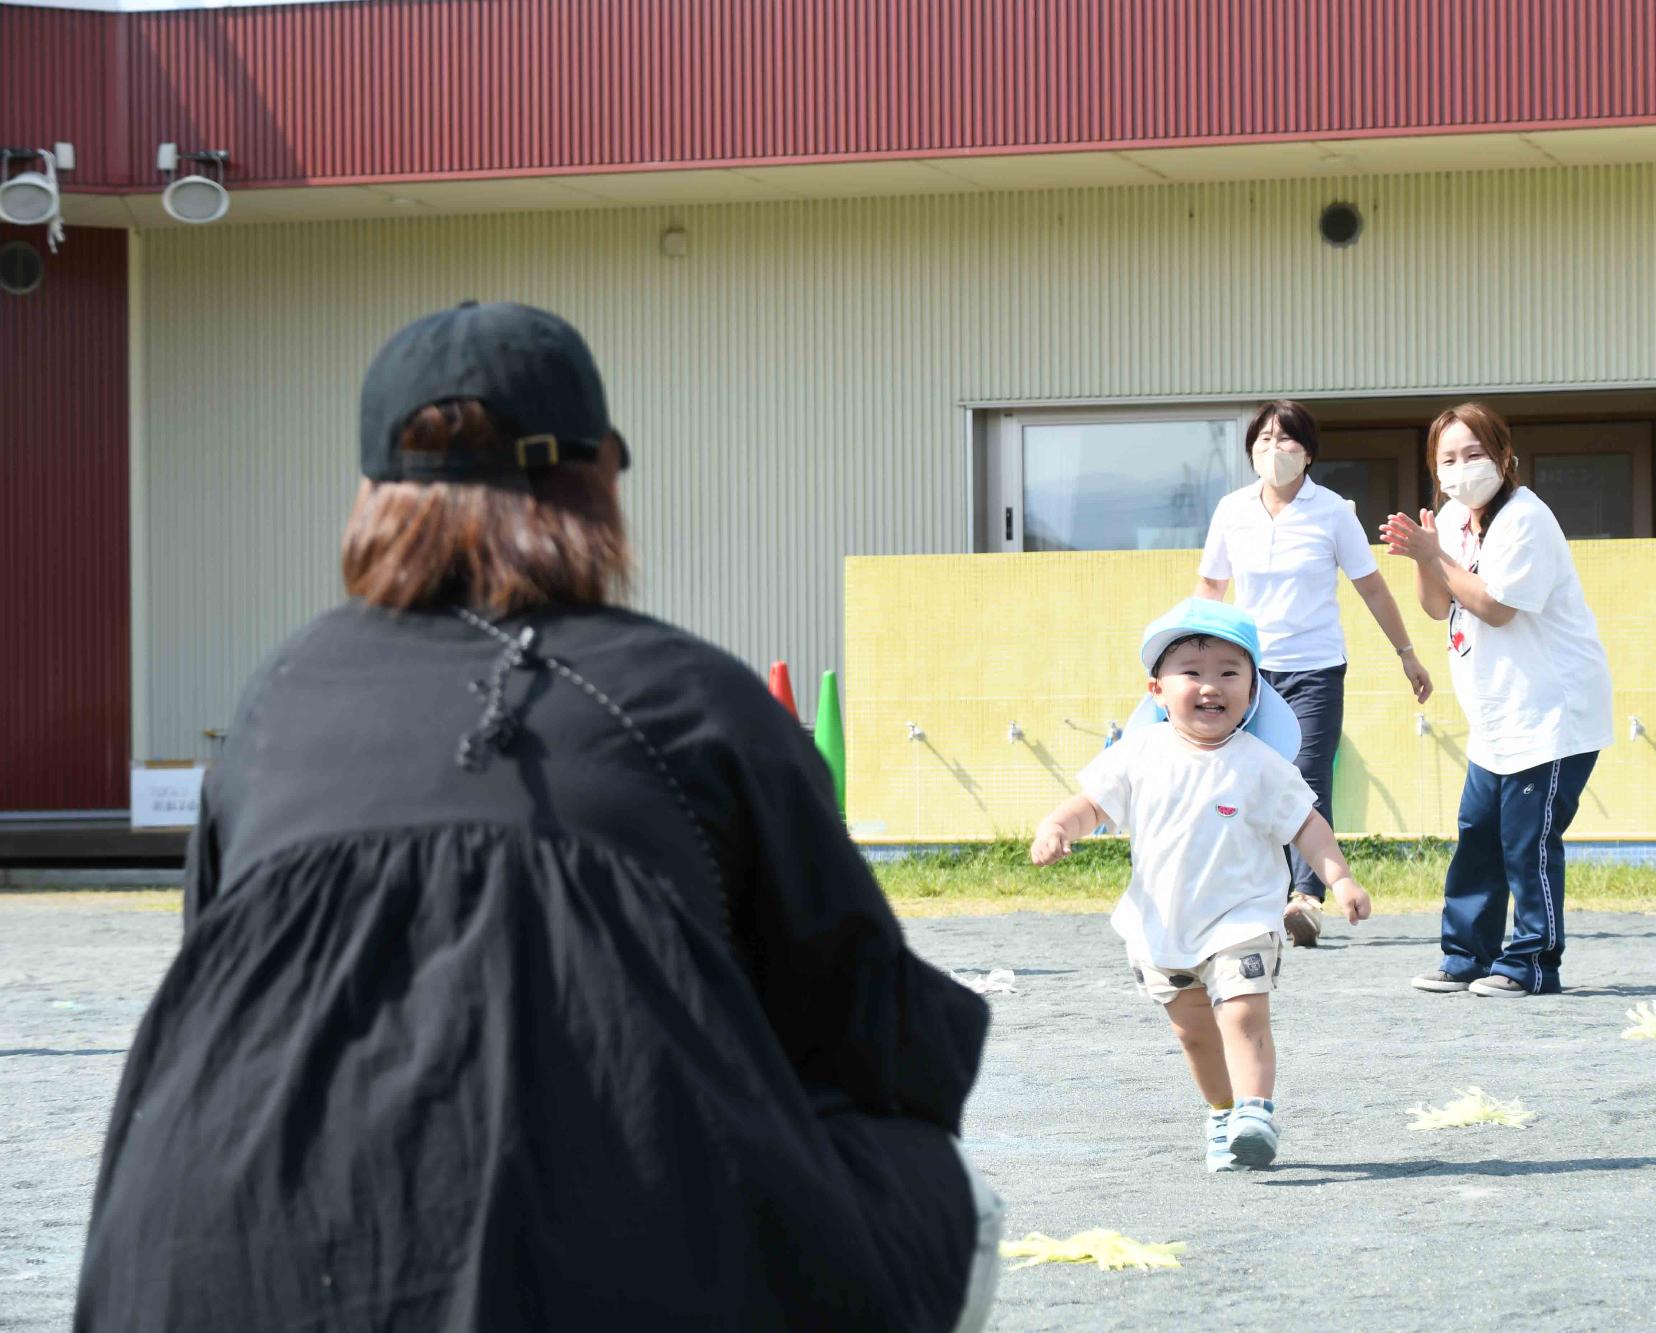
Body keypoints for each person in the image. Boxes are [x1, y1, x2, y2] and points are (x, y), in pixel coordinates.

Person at [75, 302, 1002, 1331]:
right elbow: (866, 1026)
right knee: (940, 1189)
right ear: (597, 473)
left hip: (211, 1264)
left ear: (372, 493)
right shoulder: (689, 700)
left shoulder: (274, 702)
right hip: (612, 1274)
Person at [1029, 599, 1371, 1172]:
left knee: (1241, 1014)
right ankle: (1221, 1111)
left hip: (1242, 920)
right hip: (1161, 926)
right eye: (1192, 671)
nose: (1210, 685)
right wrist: (1058, 826)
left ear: (1253, 691)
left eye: (1229, 673)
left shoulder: (1261, 764)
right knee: (1194, 1034)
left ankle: (1256, 1113)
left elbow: (1309, 827)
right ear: (1157, 690)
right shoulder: (1138, 753)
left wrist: (1339, 878)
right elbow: (1093, 805)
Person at [1381, 402, 1613, 998]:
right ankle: (1465, 957)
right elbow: (1439, 607)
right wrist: (1423, 556)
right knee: (1478, 835)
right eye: (1448, 459)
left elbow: (1496, 607)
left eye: (1475, 454)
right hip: (1496, 719)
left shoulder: (1526, 519)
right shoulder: (1455, 519)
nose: (1462, 469)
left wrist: (1433, 556)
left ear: (1505, 457)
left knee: (1526, 841)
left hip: (1551, 715)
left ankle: (1532, 964)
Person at [1195, 400, 1432, 949]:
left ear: (1308, 452)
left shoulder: (1331, 512)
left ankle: (1306, 897)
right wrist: (1187, 662)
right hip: (1249, 670)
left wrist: (1406, 653)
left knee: (1306, 773)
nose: (1274, 452)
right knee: (1248, 775)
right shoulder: (1232, 510)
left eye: (1287, 441)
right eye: (1263, 441)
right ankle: (1263, 891)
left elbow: (1370, 585)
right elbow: (1211, 588)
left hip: (1317, 666)